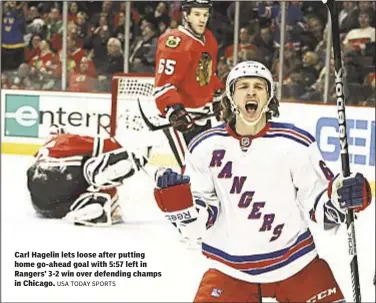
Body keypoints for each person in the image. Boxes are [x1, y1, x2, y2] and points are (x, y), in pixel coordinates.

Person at [153, 61, 372, 302]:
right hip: (230, 270)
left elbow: (321, 205)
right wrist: (180, 207)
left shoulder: (295, 143)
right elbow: (197, 224)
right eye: (243, 86)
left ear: (269, 97)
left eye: (259, 86)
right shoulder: (203, 147)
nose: (251, 92)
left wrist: (344, 199)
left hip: (297, 265)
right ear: (230, 96)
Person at [27, 126, 148, 226]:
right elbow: (107, 146)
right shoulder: (67, 138)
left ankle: (84, 206)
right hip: (64, 174)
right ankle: (94, 174)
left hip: (40, 200)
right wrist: (131, 153)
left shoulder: (41, 150)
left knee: (59, 204)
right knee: (91, 164)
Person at [153, 0, 224, 171]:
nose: (202, 19)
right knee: (188, 172)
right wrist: (175, 110)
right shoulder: (175, 42)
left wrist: (218, 98)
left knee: (207, 172)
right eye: (197, 14)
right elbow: (163, 86)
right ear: (186, 15)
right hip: (180, 121)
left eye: (205, 15)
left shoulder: (209, 39)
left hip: (202, 118)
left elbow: (208, 75)